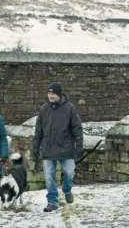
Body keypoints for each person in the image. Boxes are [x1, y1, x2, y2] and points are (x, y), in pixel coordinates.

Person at [32, 82, 84, 212]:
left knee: (69, 172)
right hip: (48, 148)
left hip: (66, 147)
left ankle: (67, 189)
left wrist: (79, 146)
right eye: (49, 93)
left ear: (59, 94)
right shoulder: (44, 109)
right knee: (49, 177)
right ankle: (52, 201)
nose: (51, 96)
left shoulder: (70, 108)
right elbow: (39, 131)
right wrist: (35, 147)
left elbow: (77, 128)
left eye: (53, 93)